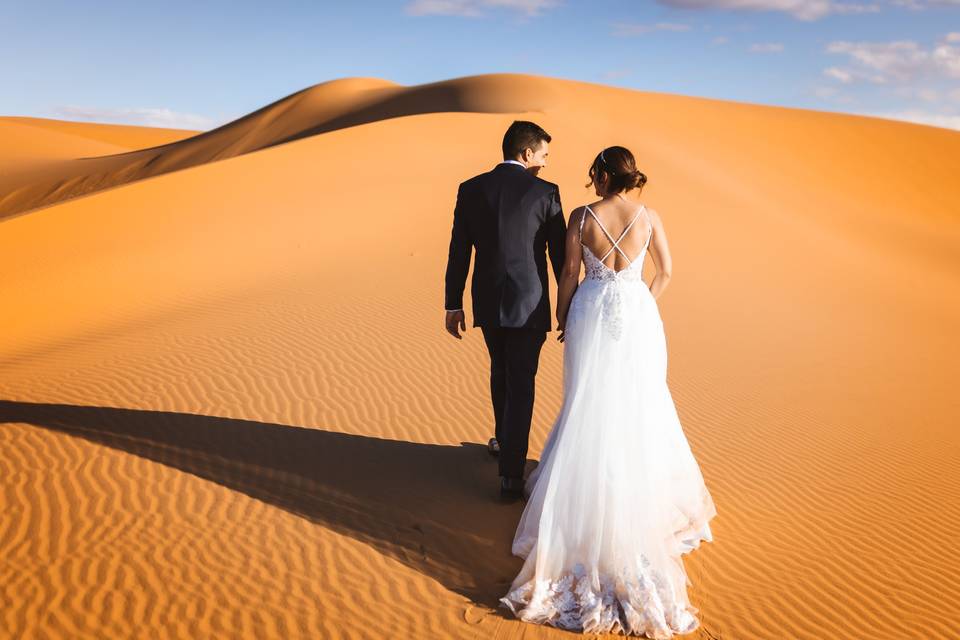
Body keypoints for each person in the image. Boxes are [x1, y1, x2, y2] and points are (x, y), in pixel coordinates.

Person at [498, 146, 718, 638]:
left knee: (587, 405)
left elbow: (570, 273)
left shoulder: (581, 216)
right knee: (640, 405)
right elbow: (665, 271)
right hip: (637, 316)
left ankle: (585, 497)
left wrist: (562, 316)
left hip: (590, 313)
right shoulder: (649, 215)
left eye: (593, 173)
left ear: (601, 175)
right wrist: (639, 301)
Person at [443, 120, 567, 501]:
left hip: (487, 300)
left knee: (500, 370)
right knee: (522, 381)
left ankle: (503, 440)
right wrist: (569, 306)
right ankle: (512, 473)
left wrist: (453, 302)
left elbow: (459, 250)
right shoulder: (546, 192)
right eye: (543, 154)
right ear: (526, 153)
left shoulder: (472, 188)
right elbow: (561, 256)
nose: (545, 163)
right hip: (529, 304)